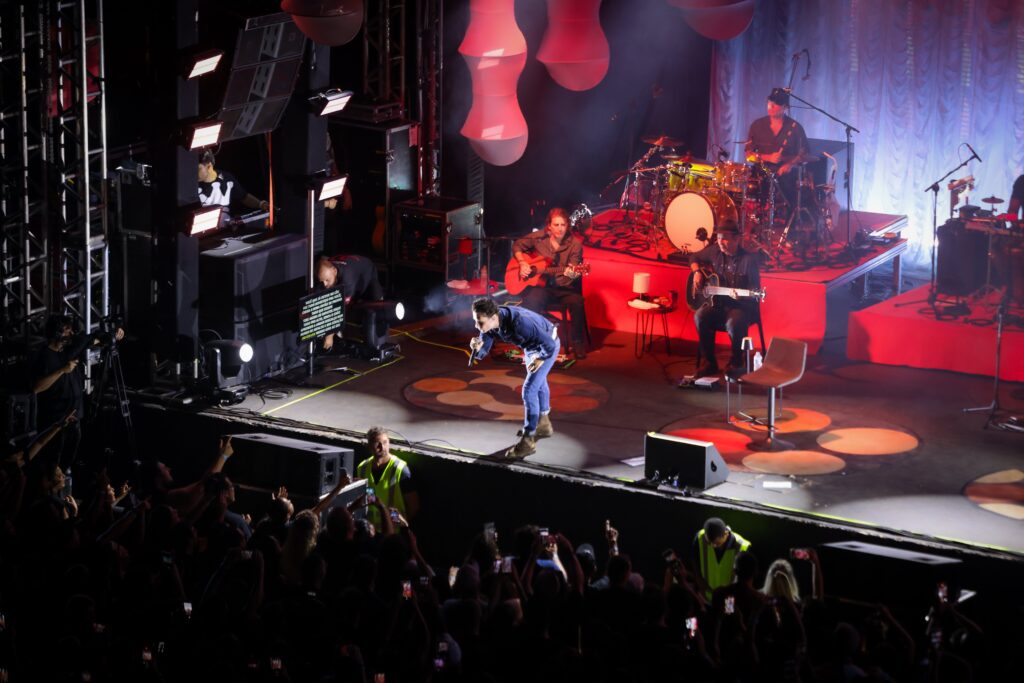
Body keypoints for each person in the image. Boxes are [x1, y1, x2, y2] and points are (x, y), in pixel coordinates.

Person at [469, 297, 560, 458]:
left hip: (546, 345)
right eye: (475, 321)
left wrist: (541, 358)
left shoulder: (520, 324)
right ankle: (544, 424)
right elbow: (483, 351)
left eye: (480, 322)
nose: (477, 326)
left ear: (493, 317)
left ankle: (528, 440)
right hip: (531, 347)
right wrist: (477, 348)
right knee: (538, 382)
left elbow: (550, 345)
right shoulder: (490, 324)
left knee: (529, 390)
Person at [30, 314, 124, 469]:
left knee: (67, 464)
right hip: (55, 423)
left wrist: (114, 334)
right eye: (67, 330)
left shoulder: (69, 350)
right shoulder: (43, 356)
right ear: (57, 332)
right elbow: (36, 387)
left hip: (74, 419)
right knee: (53, 465)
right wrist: (62, 370)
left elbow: (93, 339)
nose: (71, 333)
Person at [511, 207, 588, 359]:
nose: (560, 229)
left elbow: (571, 273)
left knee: (577, 302)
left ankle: (578, 342)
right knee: (531, 301)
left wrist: (570, 273)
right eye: (556, 225)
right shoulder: (540, 237)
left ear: (568, 225)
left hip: (563, 287)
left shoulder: (575, 245)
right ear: (549, 226)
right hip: (542, 286)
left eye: (563, 225)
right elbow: (517, 245)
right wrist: (522, 263)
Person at [688, 220, 761, 378]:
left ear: (737, 239)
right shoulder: (715, 251)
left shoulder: (749, 260)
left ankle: (736, 361)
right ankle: (709, 364)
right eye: (719, 238)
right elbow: (693, 257)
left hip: (741, 306)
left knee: (733, 322)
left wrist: (742, 295)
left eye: (725, 238)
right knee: (700, 316)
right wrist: (697, 272)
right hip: (719, 304)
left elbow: (755, 291)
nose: (720, 242)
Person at [746, 88, 810, 214]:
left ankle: (788, 219)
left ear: (785, 107)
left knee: (790, 187)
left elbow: (804, 154)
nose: (771, 106)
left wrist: (790, 164)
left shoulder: (795, 128)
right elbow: (748, 155)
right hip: (762, 174)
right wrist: (768, 157)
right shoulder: (757, 125)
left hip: (786, 176)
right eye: (769, 103)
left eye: (775, 105)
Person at [315, 254, 391, 358]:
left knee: (377, 306)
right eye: (321, 281)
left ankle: (376, 343)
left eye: (327, 280)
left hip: (367, 272)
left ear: (334, 271)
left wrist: (330, 334)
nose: (324, 284)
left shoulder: (348, 278)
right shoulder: (325, 274)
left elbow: (340, 308)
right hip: (352, 266)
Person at [355, 426, 419, 531]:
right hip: (370, 533)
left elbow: (414, 506)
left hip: (392, 534)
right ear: (369, 446)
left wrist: (398, 523)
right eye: (377, 443)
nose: (382, 447)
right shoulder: (362, 468)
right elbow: (368, 495)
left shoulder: (400, 469)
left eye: (385, 442)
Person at [197, 149, 269, 218]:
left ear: (209, 166)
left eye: (197, 169)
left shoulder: (227, 178)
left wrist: (261, 204)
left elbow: (243, 196)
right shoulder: (191, 185)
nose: (193, 172)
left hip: (224, 227)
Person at [691, 517, 751, 600]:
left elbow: (744, 581)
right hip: (706, 596)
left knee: (728, 613)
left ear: (726, 534)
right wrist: (700, 586)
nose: (712, 546)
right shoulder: (700, 538)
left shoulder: (741, 547)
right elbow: (695, 562)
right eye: (709, 543)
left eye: (717, 543)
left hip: (729, 599)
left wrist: (731, 605)